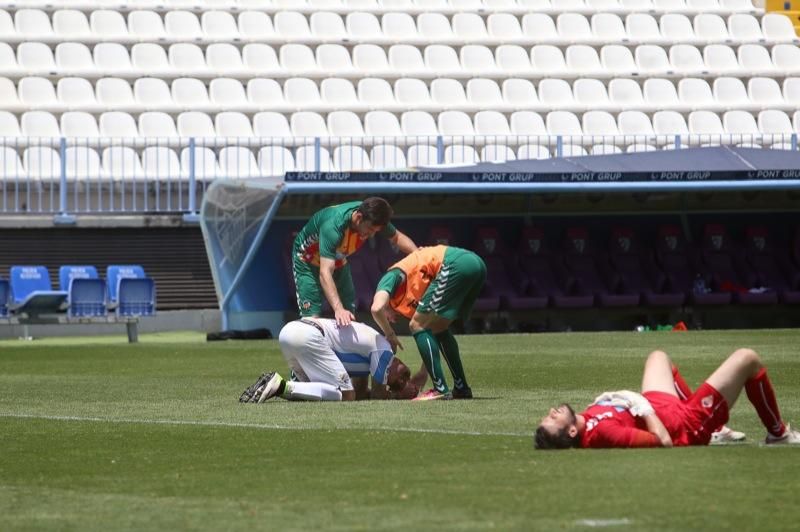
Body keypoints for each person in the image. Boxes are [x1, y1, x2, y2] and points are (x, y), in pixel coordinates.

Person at [535, 348, 800, 449]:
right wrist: (640, 405)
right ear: (571, 431)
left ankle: (719, 431)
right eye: (552, 419)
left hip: (662, 404)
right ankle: (778, 433)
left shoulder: (586, 419)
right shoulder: (604, 434)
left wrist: (611, 400)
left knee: (658, 357)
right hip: (684, 423)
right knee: (747, 359)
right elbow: (662, 441)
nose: (551, 411)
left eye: (548, 415)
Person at [370, 244, 486, 401]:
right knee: (438, 327)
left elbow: (376, 309)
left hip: (454, 263)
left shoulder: (389, 278)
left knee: (415, 325)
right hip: (475, 264)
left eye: (388, 315)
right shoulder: (408, 300)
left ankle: (440, 388)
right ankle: (461, 388)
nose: (391, 319)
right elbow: (429, 333)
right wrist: (423, 373)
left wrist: (390, 334)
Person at [292, 197, 417, 326]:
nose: (372, 235)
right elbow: (325, 272)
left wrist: (420, 256)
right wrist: (338, 309)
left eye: (376, 231)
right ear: (358, 217)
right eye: (370, 229)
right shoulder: (334, 226)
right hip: (307, 260)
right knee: (312, 319)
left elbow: (397, 237)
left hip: (338, 259)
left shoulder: (372, 216)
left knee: (349, 314)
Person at [239, 318, 418, 403]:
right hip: (309, 336)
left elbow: (362, 393)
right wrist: (399, 395)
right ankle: (278, 385)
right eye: (405, 374)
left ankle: (270, 386)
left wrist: (395, 391)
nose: (403, 379)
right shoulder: (384, 349)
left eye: (401, 382)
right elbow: (376, 395)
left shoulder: (366, 358)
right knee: (346, 395)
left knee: (306, 396)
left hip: (289, 332)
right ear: (396, 359)